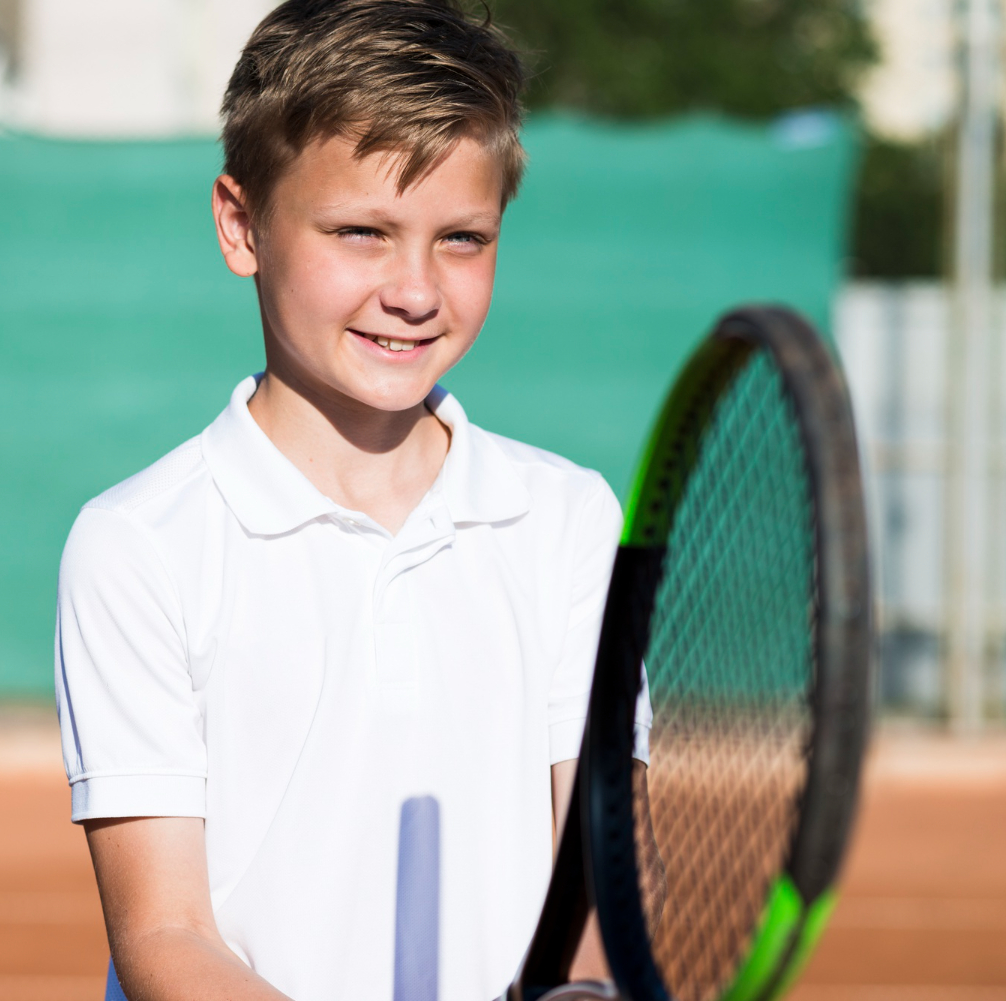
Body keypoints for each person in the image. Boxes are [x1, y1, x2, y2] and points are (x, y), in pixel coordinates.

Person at [54, 2, 654, 999]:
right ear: (241, 225)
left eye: (462, 237)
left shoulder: (564, 520)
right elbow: (165, 931)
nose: (415, 289)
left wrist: (586, 988)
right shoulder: (138, 545)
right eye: (362, 232)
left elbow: (597, 874)